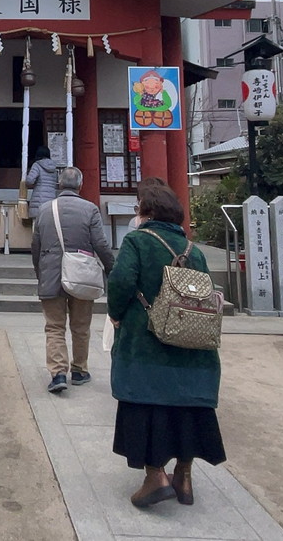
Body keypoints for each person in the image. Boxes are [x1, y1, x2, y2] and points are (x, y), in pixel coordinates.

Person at [107, 177, 226, 509]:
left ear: (146, 211)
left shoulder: (137, 241)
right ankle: (184, 477)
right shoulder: (194, 250)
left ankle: (155, 476)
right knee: (186, 409)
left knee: (146, 404)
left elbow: (120, 281)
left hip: (147, 343)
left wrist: (116, 314)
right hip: (192, 344)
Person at [31, 165, 114, 394]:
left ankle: (58, 373)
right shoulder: (90, 210)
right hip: (81, 275)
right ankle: (79, 370)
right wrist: (110, 269)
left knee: (54, 327)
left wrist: (40, 272)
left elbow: (35, 246)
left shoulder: (45, 209)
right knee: (81, 326)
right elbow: (101, 244)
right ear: (80, 185)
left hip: (51, 273)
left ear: (59, 184)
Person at [24, 145, 58, 218]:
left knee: (37, 226)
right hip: (51, 201)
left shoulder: (37, 165)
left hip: (38, 201)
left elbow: (29, 181)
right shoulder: (54, 168)